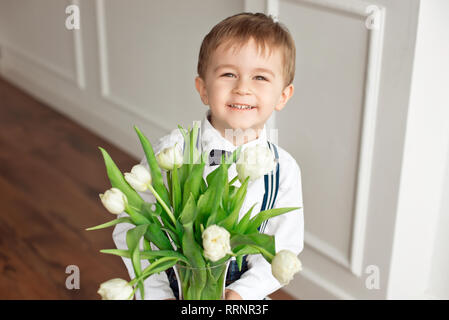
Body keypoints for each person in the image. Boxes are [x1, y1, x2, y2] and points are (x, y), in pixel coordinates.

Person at [112, 12, 304, 300]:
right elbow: (132, 223)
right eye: (228, 74)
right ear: (203, 88)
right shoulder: (174, 151)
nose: (243, 88)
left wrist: (241, 294)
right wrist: (156, 293)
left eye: (260, 77)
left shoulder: (284, 170)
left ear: (283, 96)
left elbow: (283, 247)